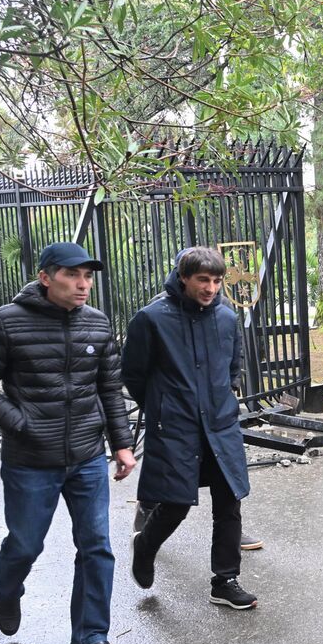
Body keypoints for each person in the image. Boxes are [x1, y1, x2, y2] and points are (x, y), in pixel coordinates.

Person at [0, 242, 137, 644]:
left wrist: (123, 445)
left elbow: (110, 391)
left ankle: (90, 638)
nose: (83, 284)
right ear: (45, 277)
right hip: (30, 461)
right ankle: (8, 590)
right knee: (25, 544)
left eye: (88, 276)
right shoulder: (6, 323)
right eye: (73, 275)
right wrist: (20, 422)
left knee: (97, 546)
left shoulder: (97, 325)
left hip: (88, 457)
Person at [122, 246, 257, 610]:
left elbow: (234, 363)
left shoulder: (226, 317)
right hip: (176, 425)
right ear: (184, 277)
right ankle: (145, 546)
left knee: (229, 502)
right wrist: (162, 404)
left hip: (220, 423)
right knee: (176, 503)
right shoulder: (151, 319)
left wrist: (225, 394)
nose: (211, 288)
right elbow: (133, 374)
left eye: (216, 280)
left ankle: (225, 581)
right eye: (203, 280)